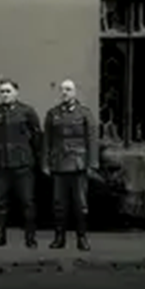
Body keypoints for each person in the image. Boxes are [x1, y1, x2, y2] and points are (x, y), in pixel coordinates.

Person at [0, 78, 42, 248]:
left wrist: (28, 153)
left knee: (27, 202)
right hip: (1, 164)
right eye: (2, 91)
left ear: (16, 92)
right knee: (0, 202)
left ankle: (30, 238)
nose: (5, 94)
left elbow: (36, 136)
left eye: (8, 91)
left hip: (23, 164)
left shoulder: (27, 112)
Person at [42, 79, 98, 251]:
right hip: (59, 163)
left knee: (80, 204)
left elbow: (91, 139)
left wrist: (92, 164)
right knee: (59, 203)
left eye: (68, 89)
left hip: (78, 164)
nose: (65, 92)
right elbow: (47, 140)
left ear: (75, 92)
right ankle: (59, 238)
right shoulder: (53, 114)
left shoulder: (85, 113)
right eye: (62, 90)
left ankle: (82, 238)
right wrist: (45, 163)